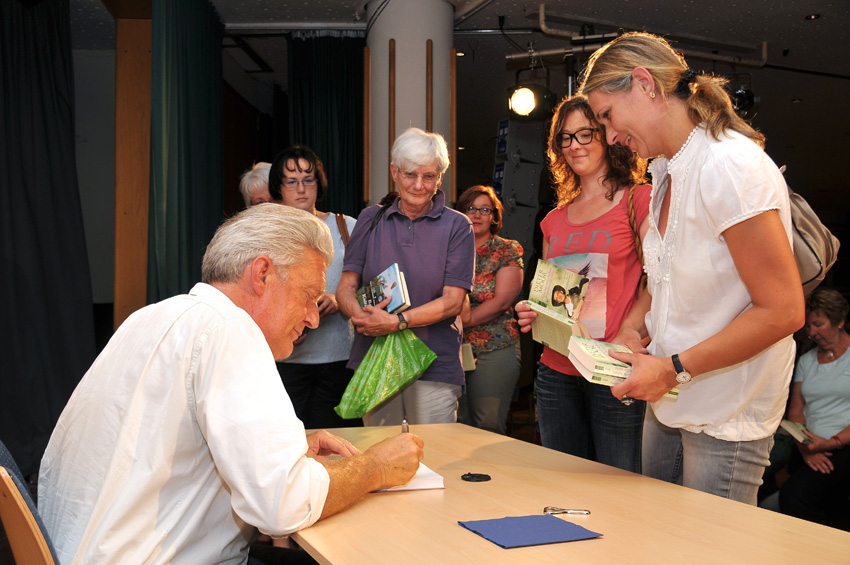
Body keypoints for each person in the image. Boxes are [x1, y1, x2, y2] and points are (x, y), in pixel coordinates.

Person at [37, 204, 424, 564]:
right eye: (308, 296)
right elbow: (282, 507)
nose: (313, 318)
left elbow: (161, 448)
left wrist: (281, 453)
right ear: (262, 274)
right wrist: (375, 467)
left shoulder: (150, 316)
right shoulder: (231, 330)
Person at [579, 31, 804, 503]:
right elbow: (663, 281)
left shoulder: (729, 165)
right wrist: (632, 331)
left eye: (607, 116)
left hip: (726, 411)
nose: (612, 135)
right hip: (670, 401)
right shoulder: (664, 172)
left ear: (644, 84)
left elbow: (783, 311)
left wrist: (674, 369)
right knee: (656, 541)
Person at [514, 94, 650, 473]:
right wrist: (533, 310)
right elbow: (553, 296)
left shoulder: (639, 200)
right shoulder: (552, 221)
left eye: (585, 134)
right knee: (563, 484)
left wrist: (629, 331)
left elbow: (659, 285)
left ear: (607, 135)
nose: (574, 146)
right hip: (556, 370)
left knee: (619, 487)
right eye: (565, 138)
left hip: (615, 369)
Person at [337, 127, 475, 426]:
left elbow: (453, 302)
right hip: (376, 358)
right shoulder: (369, 219)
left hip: (435, 361)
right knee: (379, 455)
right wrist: (362, 317)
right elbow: (346, 287)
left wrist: (397, 322)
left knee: (434, 454)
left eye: (429, 176)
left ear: (440, 177)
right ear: (394, 173)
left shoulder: (457, 226)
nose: (419, 185)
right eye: (410, 174)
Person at [268, 146, 358, 429]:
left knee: (338, 441)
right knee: (287, 442)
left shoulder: (347, 227)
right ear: (278, 188)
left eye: (309, 180)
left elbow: (373, 287)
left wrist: (340, 297)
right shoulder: (265, 229)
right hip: (285, 357)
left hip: (339, 357)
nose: (301, 189)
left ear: (319, 184)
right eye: (291, 181)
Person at [778, 287, 850, 530]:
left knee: (793, 496)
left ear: (840, 321)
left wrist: (830, 443)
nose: (811, 332)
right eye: (808, 326)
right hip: (808, 448)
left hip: (842, 448)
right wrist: (807, 448)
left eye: (818, 324)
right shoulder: (806, 361)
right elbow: (796, 412)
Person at [456, 185, 524, 434]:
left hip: (495, 347)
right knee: (456, 423)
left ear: (494, 216)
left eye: (485, 209)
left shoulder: (506, 249)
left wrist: (461, 322)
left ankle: (490, 474)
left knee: (487, 424)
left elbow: (502, 302)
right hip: (452, 348)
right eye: (470, 208)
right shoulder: (449, 249)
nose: (476, 215)